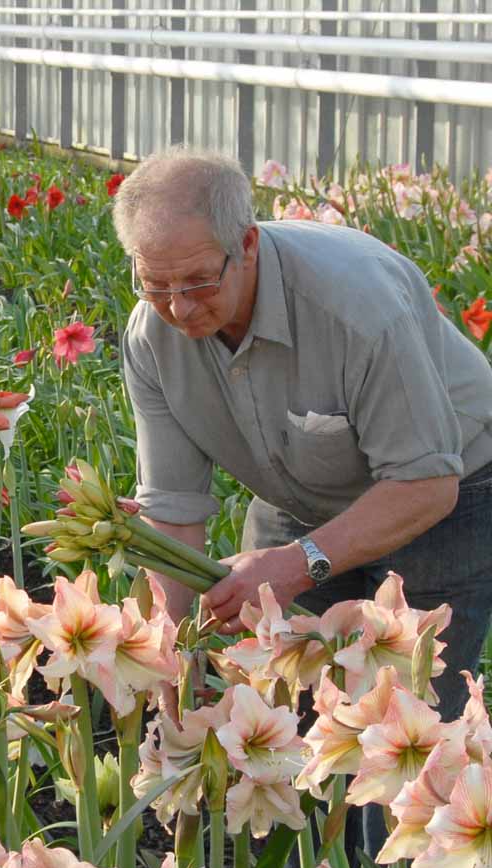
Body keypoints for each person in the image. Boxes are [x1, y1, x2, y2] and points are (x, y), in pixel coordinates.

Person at [112, 147, 492, 728]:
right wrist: (161, 646)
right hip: (300, 493)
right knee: (301, 718)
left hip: (447, 492)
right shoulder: (152, 335)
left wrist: (297, 563)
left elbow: (426, 482)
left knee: (405, 725)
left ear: (248, 244)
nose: (179, 308)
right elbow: (173, 509)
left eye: (198, 281)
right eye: (154, 284)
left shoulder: (356, 308)